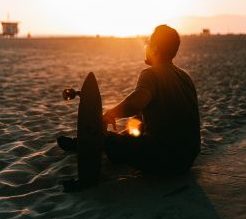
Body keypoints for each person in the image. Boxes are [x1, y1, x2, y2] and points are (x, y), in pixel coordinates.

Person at [58, 25, 201, 190]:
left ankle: (90, 142)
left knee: (113, 141)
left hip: (164, 160)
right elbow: (165, 109)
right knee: (136, 122)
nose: (146, 46)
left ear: (154, 48)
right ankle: (88, 142)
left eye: (148, 42)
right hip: (187, 158)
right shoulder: (185, 77)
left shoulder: (151, 74)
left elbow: (137, 101)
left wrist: (110, 113)